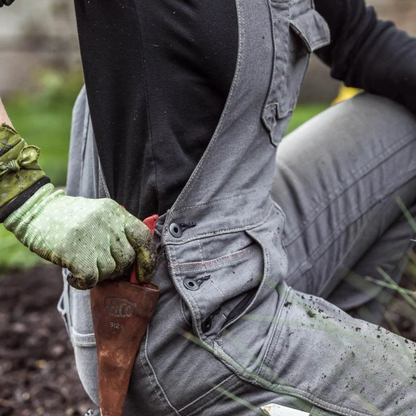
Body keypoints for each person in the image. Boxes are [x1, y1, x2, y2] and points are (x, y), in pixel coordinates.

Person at [1, 0, 416, 415]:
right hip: (178, 326)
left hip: (250, 249)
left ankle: (313, 385)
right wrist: (25, 199)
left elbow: (362, 42)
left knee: (405, 126)